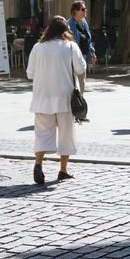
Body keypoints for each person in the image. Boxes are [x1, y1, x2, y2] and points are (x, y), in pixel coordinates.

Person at [27, 16, 84, 184]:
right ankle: (63, 170)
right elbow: (81, 68)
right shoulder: (70, 46)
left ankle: (38, 164)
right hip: (65, 98)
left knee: (42, 133)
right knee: (66, 135)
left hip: (41, 98)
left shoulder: (37, 47)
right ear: (66, 30)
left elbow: (30, 74)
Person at [67, 0, 96, 95]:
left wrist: (92, 52)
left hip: (84, 55)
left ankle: (80, 99)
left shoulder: (83, 22)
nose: (85, 10)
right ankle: (75, 100)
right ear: (76, 11)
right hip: (74, 57)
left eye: (85, 8)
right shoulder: (70, 24)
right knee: (75, 82)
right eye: (83, 9)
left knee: (82, 81)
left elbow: (88, 39)